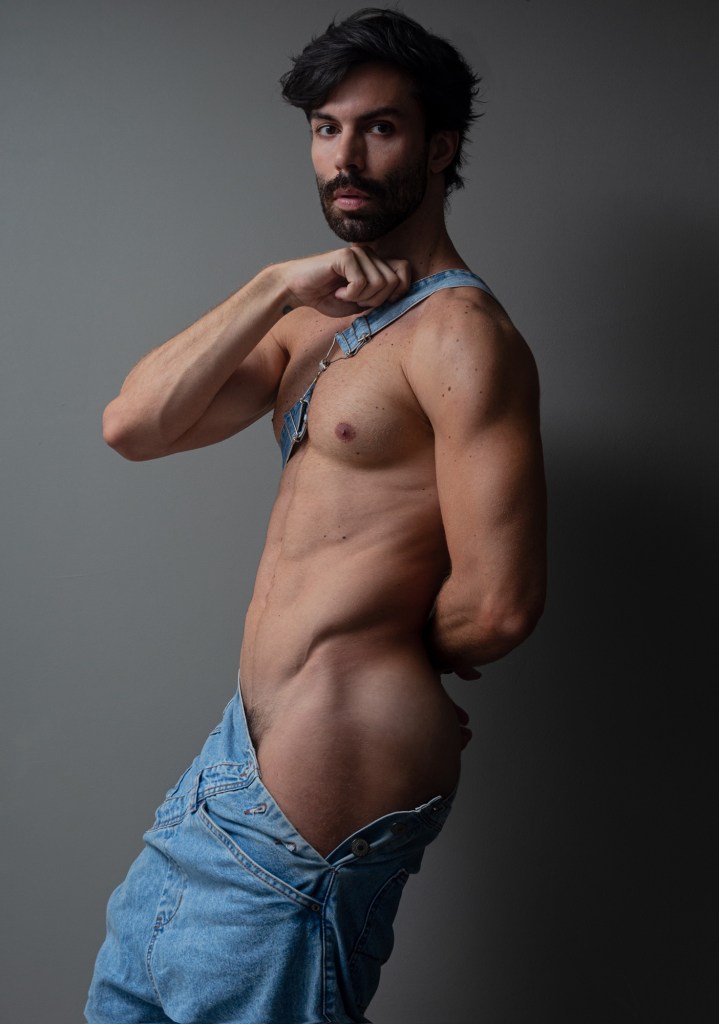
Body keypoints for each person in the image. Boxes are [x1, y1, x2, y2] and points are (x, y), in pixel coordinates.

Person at [85, 8, 546, 1024]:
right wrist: (271, 285)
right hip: (237, 757)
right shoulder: (310, 319)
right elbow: (134, 425)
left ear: (439, 148)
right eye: (326, 128)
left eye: (379, 127)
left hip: (325, 760)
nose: (345, 156)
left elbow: (499, 604)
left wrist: (384, 655)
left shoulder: (462, 336)